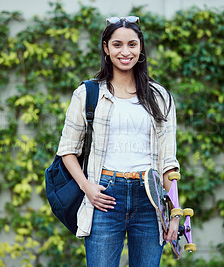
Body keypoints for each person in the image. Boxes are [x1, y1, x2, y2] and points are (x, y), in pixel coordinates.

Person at [56, 16, 180, 267]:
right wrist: (87, 188)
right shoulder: (87, 93)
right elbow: (67, 150)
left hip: (150, 199)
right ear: (106, 48)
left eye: (132, 44)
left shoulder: (160, 97)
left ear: (141, 47)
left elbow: (169, 162)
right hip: (104, 194)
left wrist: (173, 212)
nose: (125, 52)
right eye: (117, 44)